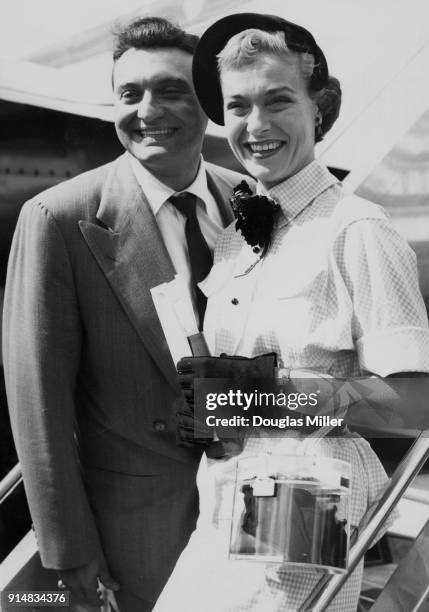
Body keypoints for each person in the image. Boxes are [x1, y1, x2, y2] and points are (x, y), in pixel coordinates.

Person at [152, 13, 429, 612]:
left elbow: (415, 405)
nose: (255, 125)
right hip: (228, 491)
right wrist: (212, 408)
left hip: (307, 489)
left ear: (320, 107)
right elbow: (239, 391)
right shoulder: (235, 238)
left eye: (278, 100)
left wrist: (266, 395)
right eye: (238, 106)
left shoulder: (358, 229)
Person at [2, 16, 252, 612]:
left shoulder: (254, 202)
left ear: (210, 104)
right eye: (129, 93)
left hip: (251, 515)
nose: (147, 109)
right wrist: (71, 555)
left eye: (170, 90)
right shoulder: (58, 218)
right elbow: (39, 405)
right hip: (136, 537)